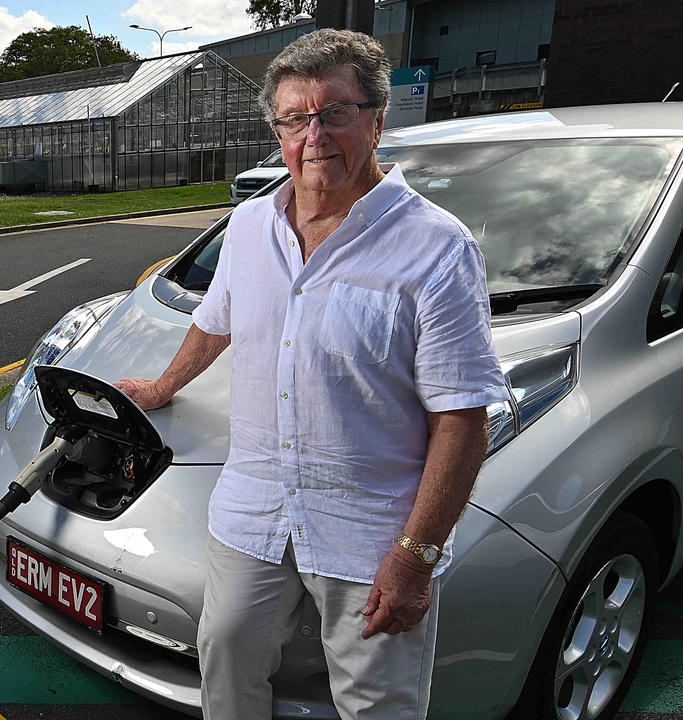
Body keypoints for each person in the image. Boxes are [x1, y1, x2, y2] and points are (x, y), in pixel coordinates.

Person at [115, 28, 508, 720]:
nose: (315, 135)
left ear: (377, 120)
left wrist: (415, 557)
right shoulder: (247, 227)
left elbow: (462, 419)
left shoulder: (436, 247)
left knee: (376, 703)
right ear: (278, 130)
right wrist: (161, 386)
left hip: (371, 533)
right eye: (296, 118)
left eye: (335, 112)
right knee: (226, 665)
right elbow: (217, 320)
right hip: (255, 512)